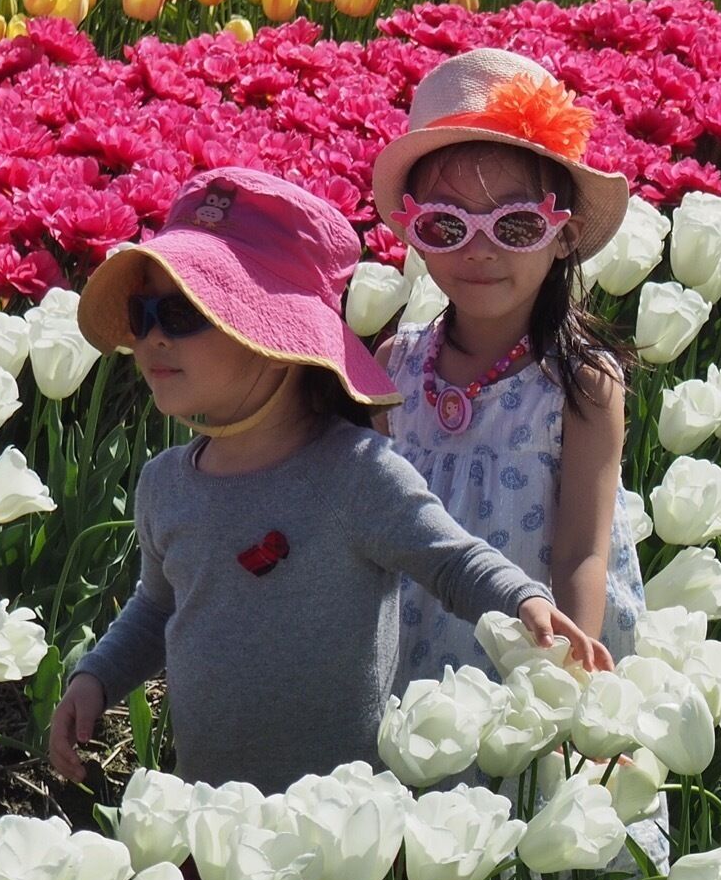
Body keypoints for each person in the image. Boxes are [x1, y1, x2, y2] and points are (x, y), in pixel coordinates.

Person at [47, 167, 610, 793]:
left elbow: (452, 560)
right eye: (142, 312)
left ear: (276, 338)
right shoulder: (166, 485)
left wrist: (524, 601)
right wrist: (97, 678)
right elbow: (158, 606)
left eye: (182, 312)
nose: (152, 335)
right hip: (211, 808)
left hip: (341, 814)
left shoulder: (355, 474)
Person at [366, 47, 648, 689]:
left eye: (515, 226)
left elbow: (581, 555)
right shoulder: (394, 368)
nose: (479, 249)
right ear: (413, 235)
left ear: (564, 235)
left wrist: (566, 683)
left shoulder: (580, 384)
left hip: (533, 656)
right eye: (446, 225)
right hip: (412, 649)